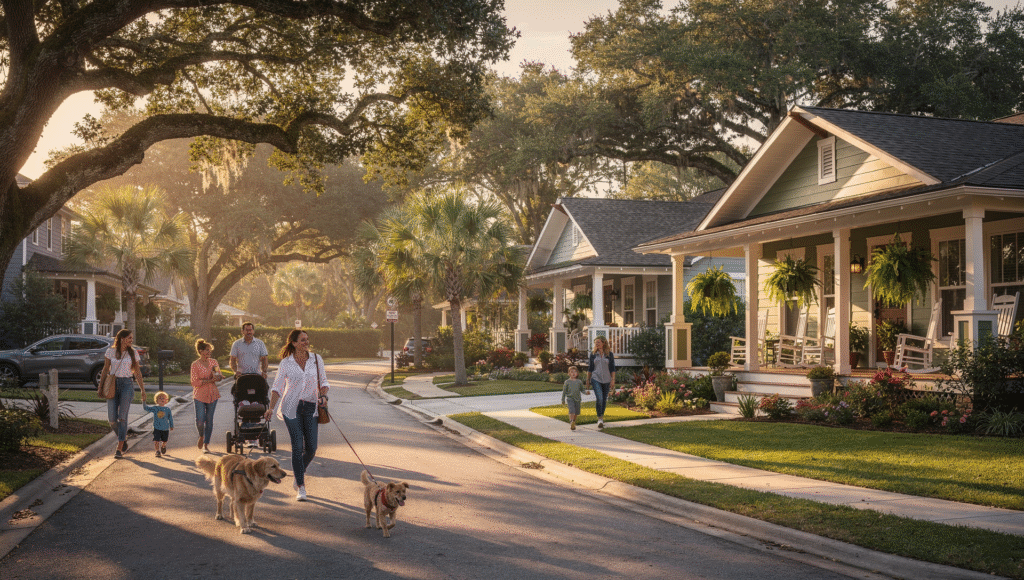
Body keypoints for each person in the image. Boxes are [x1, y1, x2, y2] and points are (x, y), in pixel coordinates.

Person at [265, 329, 328, 501]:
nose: (306, 342)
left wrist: (323, 396)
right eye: (302, 340)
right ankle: (301, 486)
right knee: (297, 446)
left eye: (307, 339)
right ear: (293, 343)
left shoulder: (316, 359)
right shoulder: (286, 363)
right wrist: (271, 408)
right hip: (290, 408)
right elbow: (277, 387)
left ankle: (299, 470)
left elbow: (324, 382)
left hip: (310, 407)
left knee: (312, 448)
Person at [98, 329, 146, 458]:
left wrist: (142, 389)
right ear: (121, 339)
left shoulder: (133, 353)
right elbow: (105, 369)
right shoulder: (110, 351)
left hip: (127, 385)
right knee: (112, 420)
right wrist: (100, 386)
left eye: (131, 338)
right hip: (113, 385)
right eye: (129, 338)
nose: (131, 340)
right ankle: (123, 438)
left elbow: (137, 372)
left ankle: (119, 449)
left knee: (122, 417)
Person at [190, 338, 221, 453]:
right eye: (207, 350)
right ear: (201, 351)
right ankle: (201, 436)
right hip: (199, 395)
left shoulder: (214, 362)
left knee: (209, 420)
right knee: (199, 420)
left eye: (210, 350)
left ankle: (206, 445)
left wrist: (217, 377)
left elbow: (218, 375)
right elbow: (194, 382)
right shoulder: (195, 365)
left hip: (212, 394)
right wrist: (209, 380)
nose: (209, 352)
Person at [586, 336, 616, 430]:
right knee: (599, 397)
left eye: (598, 342)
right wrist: (587, 380)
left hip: (606, 380)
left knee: (603, 400)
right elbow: (590, 368)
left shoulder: (609, 354)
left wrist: (613, 380)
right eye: (595, 343)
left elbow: (612, 368)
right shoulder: (593, 354)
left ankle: (601, 417)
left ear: (603, 343)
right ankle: (599, 419)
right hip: (596, 379)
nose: (597, 344)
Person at [143, 391, 174, 458]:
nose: (162, 399)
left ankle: (163, 446)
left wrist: (171, 425)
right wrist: (144, 401)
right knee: (156, 440)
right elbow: (146, 408)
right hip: (156, 428)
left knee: (165, 440)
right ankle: (157, 451)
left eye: (163, 398)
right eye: (160, 398)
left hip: (165, 428)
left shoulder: (167, 409)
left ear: (166, 401)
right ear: (156, 401)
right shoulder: (155, 408)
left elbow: (170, 418)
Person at [561, 366, 588, 430]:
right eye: (572, 372)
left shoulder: (579, 382)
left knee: (576, 412)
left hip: (577, 399)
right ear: (569, 373)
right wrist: (563, 399)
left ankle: (573, 423)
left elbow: (582, 390)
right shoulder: (567, 382)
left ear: (577, 373)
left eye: (575, 372)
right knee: (572, 410)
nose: (573, 373)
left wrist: (586, 393)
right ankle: (571, 421)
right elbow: (564, 391)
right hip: (570, 399)